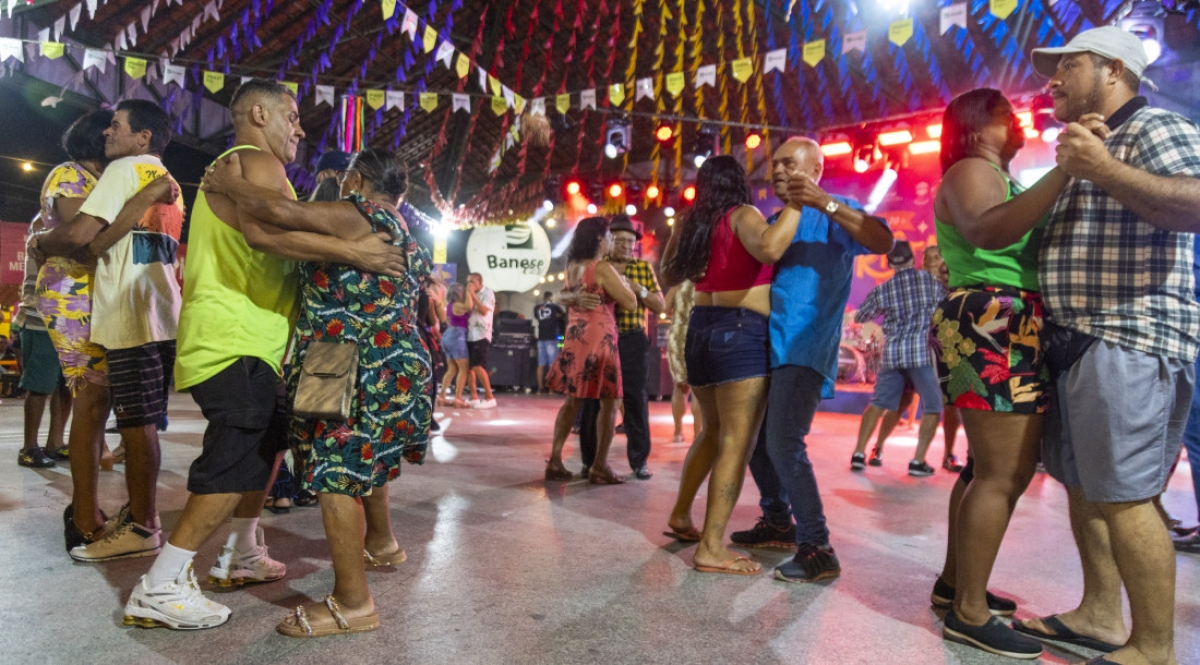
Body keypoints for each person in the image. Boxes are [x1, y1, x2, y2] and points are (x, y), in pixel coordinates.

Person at [121, 79, 407, 631]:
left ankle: (243, 552)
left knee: (269, 443)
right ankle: (161, 584)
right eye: (293, 116)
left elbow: (273, 224)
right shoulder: (256, 158)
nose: (300, 128)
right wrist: (351, 250)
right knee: (239, 456)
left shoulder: (248, 168)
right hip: (237, 337)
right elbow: (262, 232)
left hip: (268, 344)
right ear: (258, 113)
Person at [1006, 28, 1200, 665]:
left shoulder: (1152, 127)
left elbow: (1195, 203)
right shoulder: (1082, 146)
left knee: (1125, 496)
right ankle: (1096, 613)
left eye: (1068, 66)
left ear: (1114, 69)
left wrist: (1103, 167)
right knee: (1087, 486)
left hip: (1130, 335)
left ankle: (1153, 648)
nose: (1051, 80)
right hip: (1080, 339)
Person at [204, 146, 431, 638]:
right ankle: (383, 543)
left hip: (343, 359)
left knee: (333, 473)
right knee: (359, 458)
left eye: (347, 175)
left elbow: (277, 216)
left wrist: (229, 184)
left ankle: (353, 604)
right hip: (396, 357)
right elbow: (266, 232)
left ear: (357, 180)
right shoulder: (403, 229)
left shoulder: (357, 212)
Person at [927, 86, 1085, 658]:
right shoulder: (972, 166)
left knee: (982, 470)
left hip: (999, 318)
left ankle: (955, 586)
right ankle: (969, 614)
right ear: (974, 126)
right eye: (1006, 114)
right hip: (994, 317)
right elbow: (988, 230)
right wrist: (1063, 173)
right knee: (1003, 473)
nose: (1018, 122)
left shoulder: (994, 173)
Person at [714, 139, 892, 580]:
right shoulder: (776, 221)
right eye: (774, 165)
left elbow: (882, 239)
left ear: (815, 169)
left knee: (784, 442)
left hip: (805, 345)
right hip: (763, 347)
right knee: (753, 440)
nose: (776, 171)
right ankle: (777, 520)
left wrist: (826, 203)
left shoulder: (834, 211)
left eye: (788, 163)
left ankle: (818, 546)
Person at [38, 100, 185, 561]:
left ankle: (125, 520)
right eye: (105, 129)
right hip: (83, 299)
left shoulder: (126, 176)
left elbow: (92, 239)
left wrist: (38, 242)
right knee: (95, 403)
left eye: (115, 127)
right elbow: (80, 234)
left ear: (141, 136)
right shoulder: (74, 175)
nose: (108, 134)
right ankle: (88, 515)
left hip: (118, 303)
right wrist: (41, 241)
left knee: (113, 411)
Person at [659, 155, 805, 573]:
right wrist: (795, 204)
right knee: (735, 444)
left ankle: (681, 514)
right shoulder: (743, 214)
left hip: (699, 330)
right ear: (739, 183)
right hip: (740, 333)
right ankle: (710, 547)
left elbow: (669, 273)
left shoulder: (690, 223)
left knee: (710, 433)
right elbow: (771, 246)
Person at [544, 217, 636, 484]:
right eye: (608, 236)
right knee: (611, 401)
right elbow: (629, 303)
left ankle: (555, 460)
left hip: (576, 336)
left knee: (572, 401)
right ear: (598, 240)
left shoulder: (573, 266)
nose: (611, 242)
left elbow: (562, 295)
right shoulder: (603, 268)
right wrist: (628, 285)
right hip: (599, 337)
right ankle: (599, 465)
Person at [576, 215, 665, 480]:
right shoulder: (597, 267)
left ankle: (639, 462)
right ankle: (589, 461)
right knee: (592, 401)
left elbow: (660, 305)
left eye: (631, 241)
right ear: (608, 240)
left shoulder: (643, 269)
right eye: (620, 240)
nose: (627, 245)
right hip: (600, 340)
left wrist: (641, 291)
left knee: (635, 400)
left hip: (632, 339)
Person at [849, 240, 945, 477]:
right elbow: (944, 309)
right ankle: (918, 460)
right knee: (932, 406)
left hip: (892, 354)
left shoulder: (884, 288)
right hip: (921, 354)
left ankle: (859, 453)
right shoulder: (931, 283)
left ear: (889, 263)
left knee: (880, 402)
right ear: (914, 260)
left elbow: (862, 315)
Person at [15, 214, 72, 469]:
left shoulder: (71, 222)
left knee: (66, 385)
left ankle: (55, 443)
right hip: (41, 315)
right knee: (39, 385)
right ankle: (29, 447)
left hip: (70, 317)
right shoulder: (42, 223)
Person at [665, 280, 701, 443]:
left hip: (678, 336)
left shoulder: (678, 280)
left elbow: (664, 308)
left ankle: (677, 432)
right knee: (698, 388)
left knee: (680, 386)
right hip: (699, 333)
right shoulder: (705, 276)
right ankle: (698, 435)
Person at [465, 272, 497, 409]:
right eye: (468, 282)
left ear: (479, 282)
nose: (469, 285)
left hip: (481, 334)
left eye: (472, 281)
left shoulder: (488, 293)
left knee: (478, 366)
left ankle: (490, 397)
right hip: (469, 333)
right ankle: (473, 397)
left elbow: (484, 311)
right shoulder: (468, 293)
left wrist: (473, 295)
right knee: (468, 368)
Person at [440, 283, 472, 408]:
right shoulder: (458, 305)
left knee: (452, 369)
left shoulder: (449, 306)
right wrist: (470, 290)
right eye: (462, 291)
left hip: (448, 335)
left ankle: (441, 397)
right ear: (458, 293)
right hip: (457, 335)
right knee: (464, 369)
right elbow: (469, 307)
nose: (464, 293)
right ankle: (458, 398)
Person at [534, 291, 566, 393]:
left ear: (543, 297)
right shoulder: (554, 306)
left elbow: (538, 317)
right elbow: (563, 315)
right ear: (551, 298)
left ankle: (540, 388)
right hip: (551, 337)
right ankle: (552, 388)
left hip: (541, 338)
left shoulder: (537, 307)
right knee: (552, 364)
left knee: (541, 364)